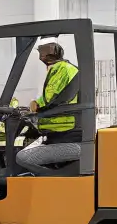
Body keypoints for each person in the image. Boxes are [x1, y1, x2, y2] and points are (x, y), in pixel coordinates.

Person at [16, 41, 83, 175]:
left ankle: (49, 181)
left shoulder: (62, 69)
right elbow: (55, 98)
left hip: (67, 137)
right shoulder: (62, 68)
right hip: (63, 135)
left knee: (22, 158)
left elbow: (51, 99)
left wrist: (36, 107)